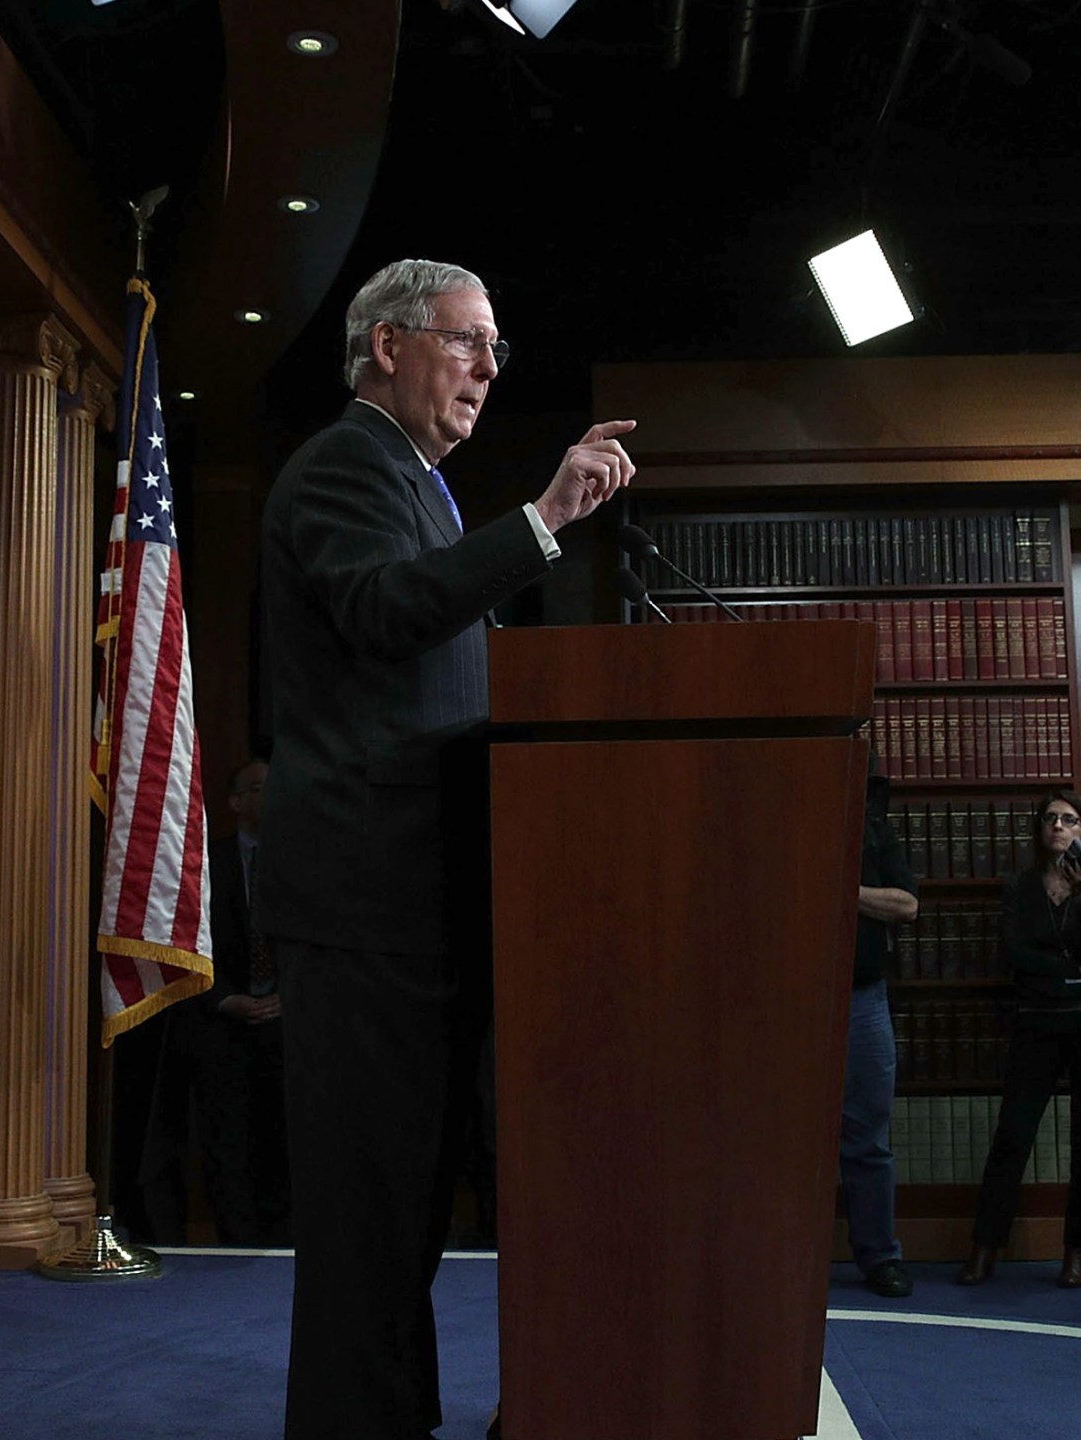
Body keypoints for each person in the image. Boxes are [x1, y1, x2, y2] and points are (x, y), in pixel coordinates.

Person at [255, 258, 636, 1440]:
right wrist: (545, 520)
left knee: (408, 1209)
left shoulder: (418, 486)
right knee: (368, 1213)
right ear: (389, 347)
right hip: (365, 902)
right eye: (467, 341)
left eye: (493, 349)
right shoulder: (342, 466)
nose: (485, 367)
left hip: (420, 901)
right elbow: (384, 613)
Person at [958, 791, 1081, 1290]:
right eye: (1050, 819)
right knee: (1013, 1135)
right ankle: (985, 1248)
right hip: (1038, 1018)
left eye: (1069, 820)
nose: (1058, 827)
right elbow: (1016, 954)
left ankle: (1077, 1253)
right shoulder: (1021, 886)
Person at [174, 758, 289, 1245]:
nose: (272, 796)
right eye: (260, 788)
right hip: (222, 1025)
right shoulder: (207, 864)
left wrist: (292, 996)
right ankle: (237, 1246)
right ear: (237, 802)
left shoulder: (304, 862)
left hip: (290, 1027)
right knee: (229, 1145)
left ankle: (286, 1244)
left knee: (285, 1144)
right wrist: (225, 999)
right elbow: (185, 940)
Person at [848, 769, 919, 1297]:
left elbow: (907, 905)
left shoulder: (875, 828)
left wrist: (843, 892)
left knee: (869, 1135)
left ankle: (879, 1256)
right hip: (786, 1000)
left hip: (861, 996)